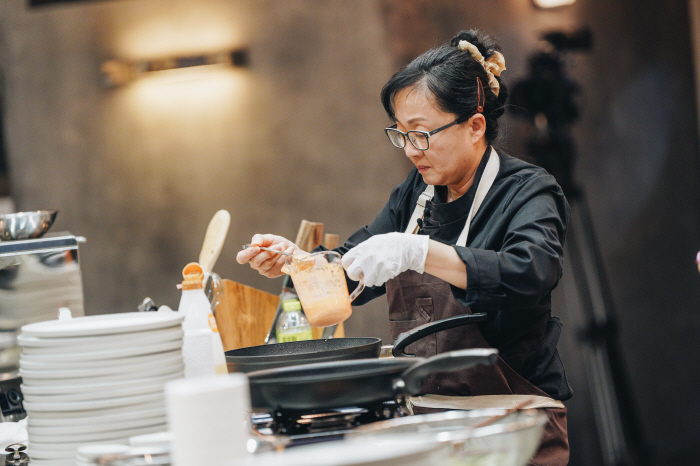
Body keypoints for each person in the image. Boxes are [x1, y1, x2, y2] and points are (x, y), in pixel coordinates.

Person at [237, 29, 571, 465]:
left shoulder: (527, 191)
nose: (411, 151)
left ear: (474, 126)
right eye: (400, 134)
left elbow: (531, 271)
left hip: (515, 423)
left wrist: (418, 252)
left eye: (421, 134)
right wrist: (300, 264)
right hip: (430, 419)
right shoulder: (416, 193)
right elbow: (353, 267)